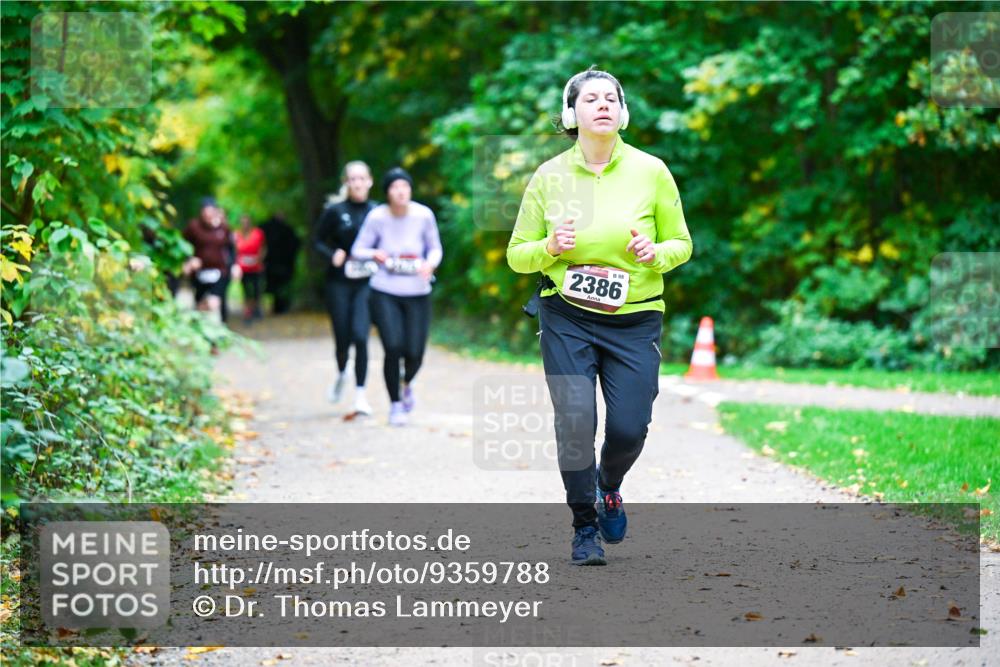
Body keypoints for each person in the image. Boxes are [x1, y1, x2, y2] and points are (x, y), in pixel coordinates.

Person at [506, 67, 693, 565]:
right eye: (591, 98)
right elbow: (517, 254)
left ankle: (608, 484)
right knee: (575, 423)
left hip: (635, 318)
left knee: (630, 427)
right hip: (566, 314)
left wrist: (656, 253)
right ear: (572, 114)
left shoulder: (651, 171)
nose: (603, 104)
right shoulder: (549, 176)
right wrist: (549, 247)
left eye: (611, 97)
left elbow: (682, 243)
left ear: (623, 112)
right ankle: (584, 526)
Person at [351, 167, 442, 427]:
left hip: (418, 291)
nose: (401, 191)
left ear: (410, 190)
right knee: (393, 347)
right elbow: (358, 249)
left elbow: (435, 248)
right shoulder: (377, 216)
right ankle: (395, 405)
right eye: (394, 187)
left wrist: (430, 264)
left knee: (415, 352)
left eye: (405, 186)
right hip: (385, 290)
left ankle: (406, 383)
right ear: (387, 192)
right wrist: (375, 254)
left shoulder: (423, 215)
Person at [314, 161, 379, 415]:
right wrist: (332, 254)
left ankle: (360, 396)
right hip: (339, 282)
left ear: (369, 181)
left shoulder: (377, 211)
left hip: (366, 283)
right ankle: (342, 373)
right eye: (353, 179)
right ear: (346, 183)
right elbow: (317, 241)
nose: (357, 183)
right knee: (342, 338)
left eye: (362, 178)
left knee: (361, 336)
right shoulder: (335, 211)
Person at [182, 197, 241, 323]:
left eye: (210, 213)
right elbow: (182, 244)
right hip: (200, 272)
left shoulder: (223, 227)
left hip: (220, 271)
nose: (208, 216)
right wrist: (189, 259)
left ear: (215, 212)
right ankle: (200, 328)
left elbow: (231, 248)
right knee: (200, 303)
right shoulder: (193, 227)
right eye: (205, 213)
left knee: (216, 301)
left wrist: (235, 265)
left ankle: (222, 328)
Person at [259, 212, 300, 314]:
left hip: (273, 264)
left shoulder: (265, 228)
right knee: (279, 286)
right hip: (279, 264)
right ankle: (278, 307)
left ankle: (277, 307)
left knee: (275, 286)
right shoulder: (287, 229)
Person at [235, 214, 266, 323]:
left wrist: (259, 259)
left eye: (247, 222)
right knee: (246, 290)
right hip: (243, 268)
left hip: (256, 267)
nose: (245, 224)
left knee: (257, 289)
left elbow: (263, 247)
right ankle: (248, 311)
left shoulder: (258, 233)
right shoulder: (236, 235)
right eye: (243, 222)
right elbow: (234, 251)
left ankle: (257, 309)